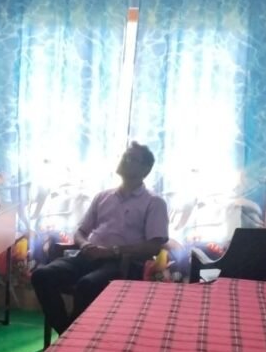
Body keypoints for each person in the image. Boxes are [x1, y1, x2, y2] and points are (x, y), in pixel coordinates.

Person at [31, 142, 169, 336]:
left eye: (131, 158)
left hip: (122, 263)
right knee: (41, 275)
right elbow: (80, 231)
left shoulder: (154, 202)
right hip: (88, 255)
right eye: (124, 156)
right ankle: (67, 334)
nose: (124, 160)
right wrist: (85, 245)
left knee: (87, 285)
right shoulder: (103, 196)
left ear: (145, 169)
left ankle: (72, 337)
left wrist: (112, 251)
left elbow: (154, 246)